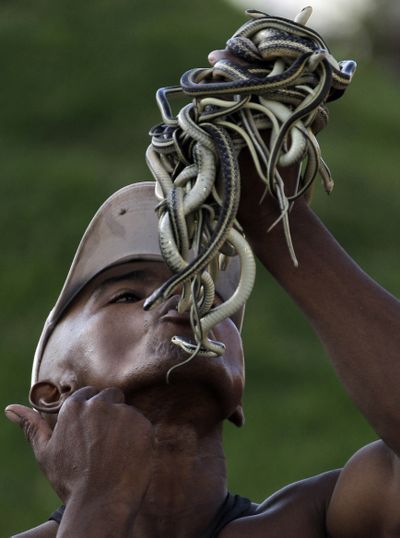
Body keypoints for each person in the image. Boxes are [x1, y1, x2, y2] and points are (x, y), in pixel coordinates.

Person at [6, 48, 400, 538]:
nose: (189, 299)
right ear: (54, 393)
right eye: (127, 295)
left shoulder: (325, 519)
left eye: (216, 299)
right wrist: (101, 502)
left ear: (239, 389)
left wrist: (276, 220)